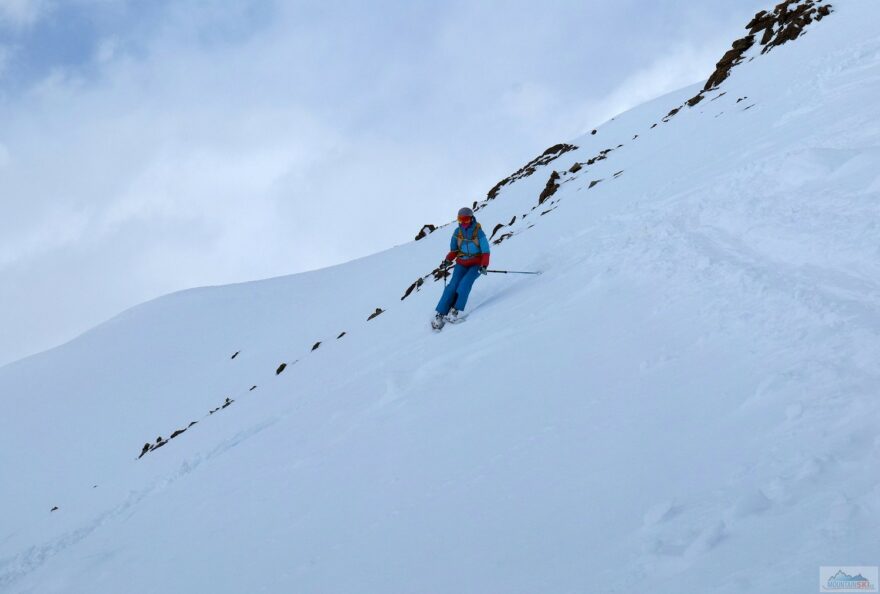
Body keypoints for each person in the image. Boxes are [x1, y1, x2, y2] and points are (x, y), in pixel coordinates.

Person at [432, 207, 490, 328]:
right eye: (460, 219)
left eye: (466, 219)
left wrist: (484, 265)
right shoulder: (457, 233)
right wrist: (448, 260)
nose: (463, 222)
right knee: (452, 286)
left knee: (464, 285)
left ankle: (455, 311)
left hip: (476, 264)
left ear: (471, 218)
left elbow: (485, 251)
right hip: (461, 264)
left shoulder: (478, 232)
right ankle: (440, 314)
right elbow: (454, 251)